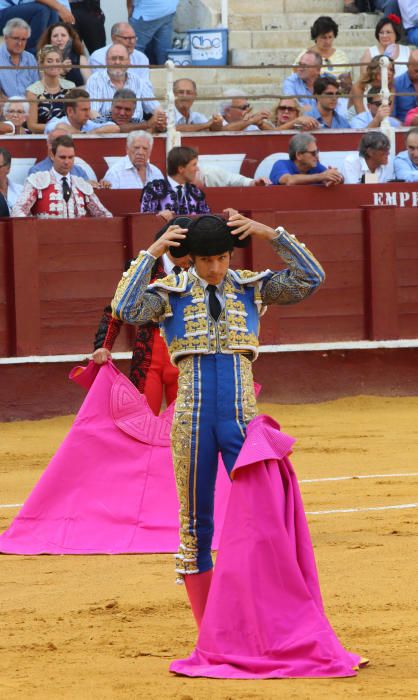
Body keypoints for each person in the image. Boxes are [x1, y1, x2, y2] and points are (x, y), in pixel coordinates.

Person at [110, 211, 325, 625]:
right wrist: (153, 250)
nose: (216, 268)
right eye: (207, 260)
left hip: (242, 420)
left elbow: (310, 277)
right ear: (190, 258)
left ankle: (270, 612)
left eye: (223, 258)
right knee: (195, 525)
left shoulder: (252, 287)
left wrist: (269, 233)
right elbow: (125, 306)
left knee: (267, 516)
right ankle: (210, 629)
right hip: (191, 420)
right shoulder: (169, 293)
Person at [93, 216, 192, 415]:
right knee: (142, 418)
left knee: (188, 423)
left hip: (186, 356)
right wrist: (103, 346)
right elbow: (116, 309)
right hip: (148, 356)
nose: (192, 257)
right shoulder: (142, 267)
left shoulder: (199, 270)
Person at [12, 134, 112, 218]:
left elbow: (103, 214)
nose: (67, 162)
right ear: (52, 156)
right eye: (62, 157)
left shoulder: (81, 184)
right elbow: (18, 210)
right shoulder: (37, 180)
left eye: (71, 157)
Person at [85, 43, 160, 123]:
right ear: (106, 61)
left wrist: (161, 120)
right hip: (107, 130)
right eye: (113, 58)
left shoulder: (137, 80)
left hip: (136, 129)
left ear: (128, 62)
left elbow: (155, 108)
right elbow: (92, 112)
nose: (117, 62)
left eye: (121, 59)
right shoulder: (95, 80)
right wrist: (113, 127)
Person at [140, 146, 210, 215]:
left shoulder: (196, 192)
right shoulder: (154, 190)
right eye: (194, 165)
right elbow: (146, 221)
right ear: (181, 169)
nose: (197, 169)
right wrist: (159, 216)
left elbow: (206, 221)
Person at [26, 45, 75, 134]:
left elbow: (75, 118)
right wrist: (57, 128)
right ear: (41, 65)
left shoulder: (70, 87)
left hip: (69, 136)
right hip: (42, 139)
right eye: (49, 61)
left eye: (57, 61)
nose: (54, 64)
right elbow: (32, 126)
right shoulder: (33, 91)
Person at [0, 0, 74, 55]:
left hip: (14, 10)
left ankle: (51, 53)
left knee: (52, 10)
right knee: (42, 10)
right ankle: (31, 54)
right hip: (2, 11)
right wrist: (61, 9)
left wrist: (61, 10)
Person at [269, 133, 344, 186]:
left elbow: (328, 176)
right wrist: (321, 176)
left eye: (317, 152)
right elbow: (289, 180)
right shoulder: (281, 164)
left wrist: (336, 177)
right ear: (299, 155)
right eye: (313, 153)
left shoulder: (315, 166)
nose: (317, 156)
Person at [44, 87, 119, 135]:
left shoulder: (88, 124)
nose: (88, 114)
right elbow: (60, 127)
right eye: (84, 110)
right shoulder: (56, 122)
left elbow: (115, 128)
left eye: (89, 109)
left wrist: (92, 133)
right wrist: (84, 135)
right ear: (70, 111)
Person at [127, 0, 179, 65]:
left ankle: (137, 74)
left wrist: (129, 8)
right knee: (163, 51)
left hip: (148, 11)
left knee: (134, 49)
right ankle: (166, 73)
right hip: (168, 9)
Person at [37, 21, 89, 86]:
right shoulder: (43, 59)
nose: (59, 39)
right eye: (55, 36)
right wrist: (62, 71)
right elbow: (47, 86)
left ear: (70, 38)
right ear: (49, 40)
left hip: (78, 95)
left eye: (63, 35)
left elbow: (89, 85)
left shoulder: (80, 58)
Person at [360, 15, 410, 79]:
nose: (384, 36)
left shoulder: (406, 51)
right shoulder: (369, 52)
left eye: (388, 32)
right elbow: (364, 78)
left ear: (396, 33)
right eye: (381, 32)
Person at [0, 18, 38, 98]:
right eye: (16, 38)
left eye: (23, 39)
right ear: (6, 38)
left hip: (29, 106)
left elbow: (36, 88)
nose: (20, 43)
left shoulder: (30, 58)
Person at [393, 50, 418, 123]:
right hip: (401, 129)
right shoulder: (395, 84)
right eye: (416, 71)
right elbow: (391, 117)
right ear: (407, 65)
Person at [195, 165, 271, 188]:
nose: (196, 168)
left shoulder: (209, 174)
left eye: (195, 164)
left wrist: (254, 183)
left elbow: (236, 180)